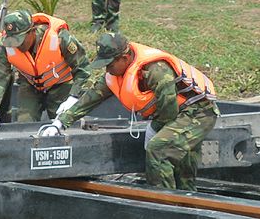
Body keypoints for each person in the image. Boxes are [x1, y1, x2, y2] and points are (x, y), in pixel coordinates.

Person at [44, 32, 217, 190]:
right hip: (177, 114)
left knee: (159, 149)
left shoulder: (155, 70)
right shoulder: (115, 74)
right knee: (177, 157)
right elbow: (92, 97)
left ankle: (165, 202)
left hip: (198, 112)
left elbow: (169, 108)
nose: (107, 69)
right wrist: (61, 123)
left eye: (110, 64)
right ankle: (182, 199)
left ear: (125, 58)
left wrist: (156, 127)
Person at [0, 9, 92, 127]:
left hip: (61, 86)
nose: (17, 46)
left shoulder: (59, 37)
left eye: (20, 41)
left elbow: (83, 68)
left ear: (32, 31)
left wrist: (73, 97)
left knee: (65, 124)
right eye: (13, 41)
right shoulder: (5, 45)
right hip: (30, 85)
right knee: (24, 126)